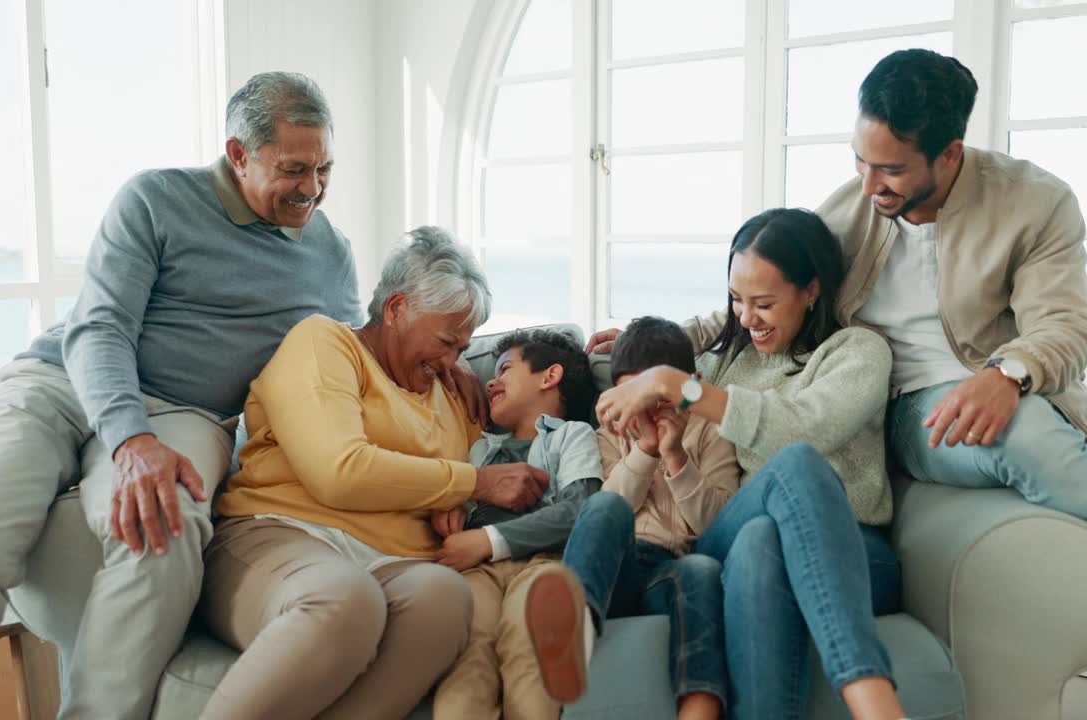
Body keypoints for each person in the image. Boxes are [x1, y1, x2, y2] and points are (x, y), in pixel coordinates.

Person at [818, 48, 1087, 720]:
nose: (868, 180)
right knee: (1026, 434)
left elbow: (1066, 327)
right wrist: (682, 340)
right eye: (860, 158)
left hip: (1038, 402)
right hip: (910, 415)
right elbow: (763, 286)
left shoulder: (1034, 200)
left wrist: (1008, 373)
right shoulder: (844, 213)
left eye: (891, 168)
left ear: (949, 153)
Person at [0, 71, 380, 718]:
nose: (312, 189)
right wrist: (130, 439)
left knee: (165, 526)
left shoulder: (330, 251)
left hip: (185, 411)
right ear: (238, 154)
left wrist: (439, 365)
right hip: (62, 380)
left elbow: (347, 359)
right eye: (294, 168)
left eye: (325, 168)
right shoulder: (155, 198)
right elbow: (101, 326)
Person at [198, 227, 541, 718]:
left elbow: (469, 478)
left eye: (463, 349)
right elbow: (339, 471)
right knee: (346, 598)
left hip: (388, 561)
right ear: (397, 309)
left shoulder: (452, 391)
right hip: (279, 535)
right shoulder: (325, 343)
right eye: (445, 341)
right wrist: (470, 484)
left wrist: (460, 503)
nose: (452, 360)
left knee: (444, 598)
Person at [584, 208, 909, 720]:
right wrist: (643, 348)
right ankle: (872, 698)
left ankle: (868, 688)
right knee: (758, 531)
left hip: (850, 546)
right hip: (730, 531)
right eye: (736, 300)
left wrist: (681, 386)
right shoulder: (728, 358)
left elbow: (805, 426)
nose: (747, 317)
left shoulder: (858, 352)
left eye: (764, 303)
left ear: (811, 290)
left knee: (788, 485)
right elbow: (677, 355)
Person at [524, 316, 741, 720]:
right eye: (630, 397)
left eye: (653, 397)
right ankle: (574, 634)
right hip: (619, 568)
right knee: (604, 506)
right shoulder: (606, 437)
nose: (641, 410)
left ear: (688, 385)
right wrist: (644, 451)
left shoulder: (712, 433)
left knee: (700, 569)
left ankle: (699, 709)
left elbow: (719, 525)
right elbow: (604, 512)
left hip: (673, 569)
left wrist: (676, 456)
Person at [431, 329, 604, 720]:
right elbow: (453, 494)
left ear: (549, 376)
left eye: (505, 369)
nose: (491, 380)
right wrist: (452, 509)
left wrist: (488, 540)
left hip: (543, 561)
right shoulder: (479, 447)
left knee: (528, 643)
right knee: (468, 652)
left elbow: (579, 508)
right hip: (478, 572)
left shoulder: (572, 435)